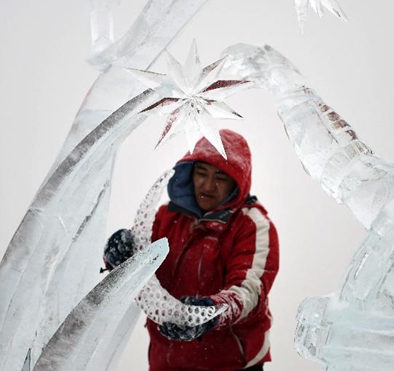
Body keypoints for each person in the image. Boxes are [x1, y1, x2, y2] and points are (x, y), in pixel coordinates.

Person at [105, 129, 279, 371]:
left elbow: (249, 293)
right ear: (190, 173)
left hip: (231, 365)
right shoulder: (167, 217)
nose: (207, 185)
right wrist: (117, 254)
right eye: (201, 173)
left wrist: (210, 312)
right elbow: (138, 263)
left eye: (220, 176)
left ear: (237, 181)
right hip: (166, 363)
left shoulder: (252, 225)